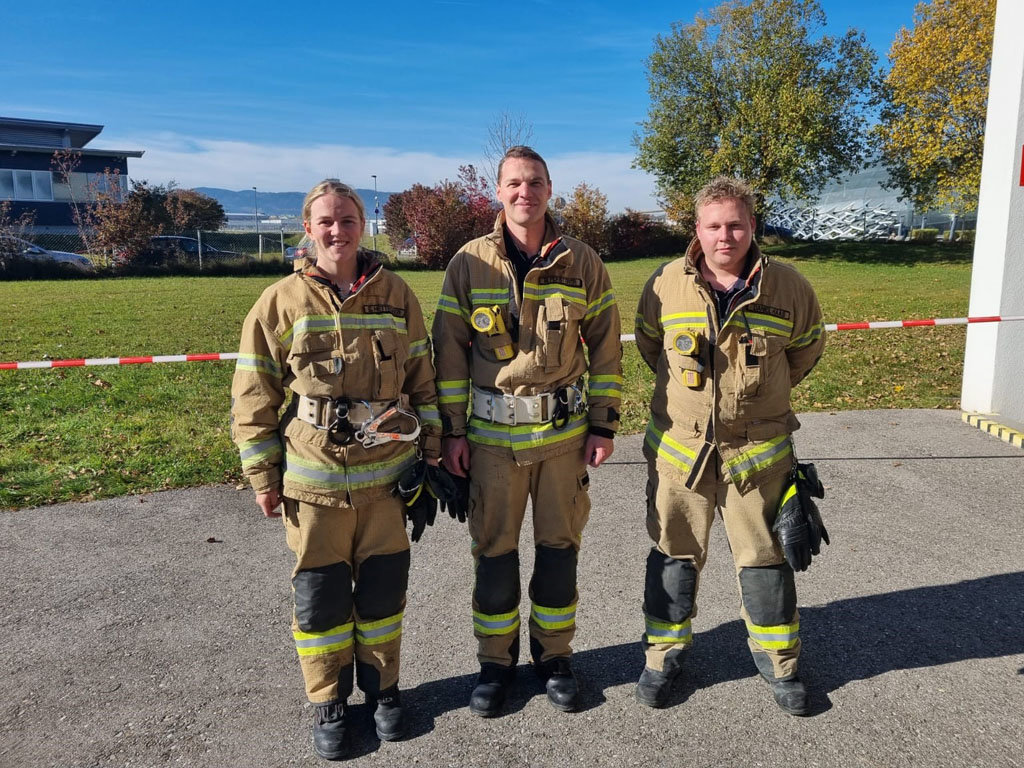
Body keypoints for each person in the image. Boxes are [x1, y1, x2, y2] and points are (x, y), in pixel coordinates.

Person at [230, 180, 442, 760]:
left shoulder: (396, 294)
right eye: (325, 221)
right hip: (313, 483)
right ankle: (328, 702)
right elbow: (254, 394)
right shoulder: (279, 301)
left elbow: (422, 379)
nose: (337, 230)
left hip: (387, 482)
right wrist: (263, 476)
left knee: (383, 595)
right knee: (321, 601)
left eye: (347, 220)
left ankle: (384, 691)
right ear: (308, 228)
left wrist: (432, 453)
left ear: (362, 225)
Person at [431, 146, 623, 717]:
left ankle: (554, 657)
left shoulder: (582, 261)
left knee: (559, 553)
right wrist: (453, 434)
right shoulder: (468, 262)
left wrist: (603, 423)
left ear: (549, 189)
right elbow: (449, 354)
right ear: (498, 192)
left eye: (535, 182)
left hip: (564, 441)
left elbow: (606, 348)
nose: (525, 192)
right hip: (492, 443)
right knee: (494, 556)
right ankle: (495, 664)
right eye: (514, 182)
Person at [633, 176, 826, 715]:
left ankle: (779, 664)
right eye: (714, 226)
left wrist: (757, 401)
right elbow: (651, 346)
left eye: (736, 225)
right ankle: (662, 658)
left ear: (752, 226)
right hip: (680, 455)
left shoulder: (788, 287)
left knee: (765, 561)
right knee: (673, 557)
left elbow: (806, 350)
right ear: (697, 229)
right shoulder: (664, 283)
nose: (725, 236)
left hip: (757, 459)